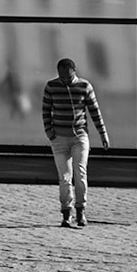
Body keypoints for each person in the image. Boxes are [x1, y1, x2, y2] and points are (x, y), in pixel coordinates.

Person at [42, 57, 110, 228]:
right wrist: (50, 132)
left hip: (79, 137)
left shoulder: (84, 86)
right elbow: (46, 110)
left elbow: (94, 111)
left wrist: (103, 134)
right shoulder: (51, 86)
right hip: (59, 138)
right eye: (62, 76)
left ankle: (81, 211)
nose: (65, 80)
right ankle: (66, 213)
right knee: (65, 177)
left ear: (74, 71)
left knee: (80, 173)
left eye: (68, 76)